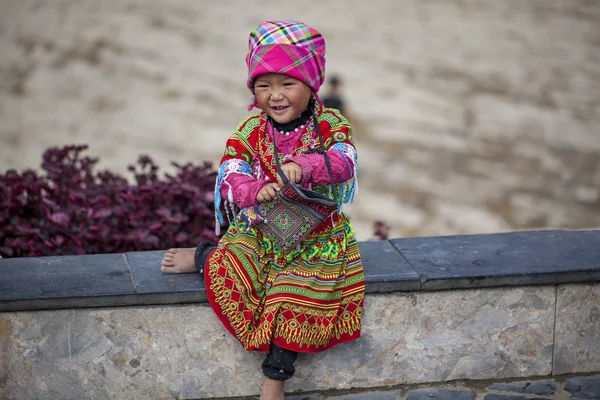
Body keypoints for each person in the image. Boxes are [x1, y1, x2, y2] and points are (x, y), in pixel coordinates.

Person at [161, 20, 365, 400]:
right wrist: (255, 189)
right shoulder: (252, 127)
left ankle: (274, 381)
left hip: (317, 237)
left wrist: (305, 166)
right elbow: (231, 171)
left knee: (293, 296)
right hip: (261, 228)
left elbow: (345, 161)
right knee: (233, 266)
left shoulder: (331, 123)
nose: (275, 95)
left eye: (287, 83)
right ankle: (205, 255)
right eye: (263, 85)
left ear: (311, 84)